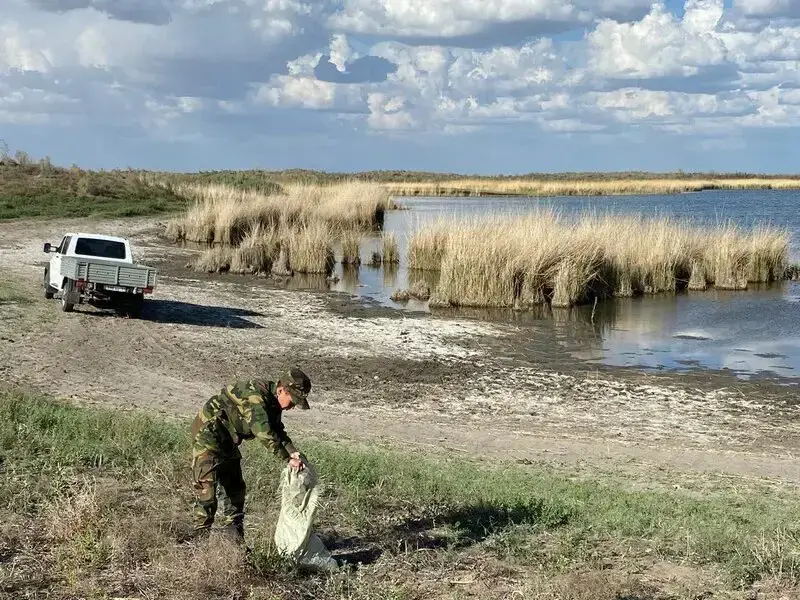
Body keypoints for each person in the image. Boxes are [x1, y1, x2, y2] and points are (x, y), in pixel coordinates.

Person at [189, 366, 312, 542]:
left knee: (235, 490)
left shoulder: (273, 403)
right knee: (206, 492)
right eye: (293, 401)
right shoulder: (256, 397)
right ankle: (198, 543)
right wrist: (286, 458)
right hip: (208, 435)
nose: (292, 407)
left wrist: (294, 452)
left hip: (228, 439)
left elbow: (277, 431)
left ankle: (234, 543)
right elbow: (263, 431)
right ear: (281, 390)